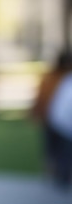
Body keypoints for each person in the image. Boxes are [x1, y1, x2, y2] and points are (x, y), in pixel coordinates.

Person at [31, 50, 72, 184]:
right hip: (56, 121)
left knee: (56, 152)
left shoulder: (54, 77)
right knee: (59, 152)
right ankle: (57, 177)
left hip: (53, 120)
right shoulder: (62, 78)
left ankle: (57, 176)